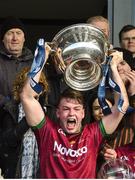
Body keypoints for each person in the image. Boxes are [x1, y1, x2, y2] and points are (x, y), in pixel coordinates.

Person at [20, 41, 129, 178]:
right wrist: (42, 58)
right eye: (66, 109)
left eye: (76, 109)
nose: (71, 113)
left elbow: (121, 107)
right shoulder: (47, 132)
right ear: (58, 113)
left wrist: (113, 67)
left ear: (83, 113)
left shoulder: (93, 134)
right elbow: (27, 96)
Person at [0, 67, 49, 178]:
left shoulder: (50, 112)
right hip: (17, 171)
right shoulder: (11, 109)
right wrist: (29, 115)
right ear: (21, 88)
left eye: (37, 84)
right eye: (29, 83)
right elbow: (8, 141)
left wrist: (39, 110)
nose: (33, 88)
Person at [0, 16, 33, 108]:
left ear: (24, 39)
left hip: (28, 117)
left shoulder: (35, 62)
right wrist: (7, 103)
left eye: (18, 33)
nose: (15, 38)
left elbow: (43, 87)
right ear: (3, 39)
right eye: (10, 33)